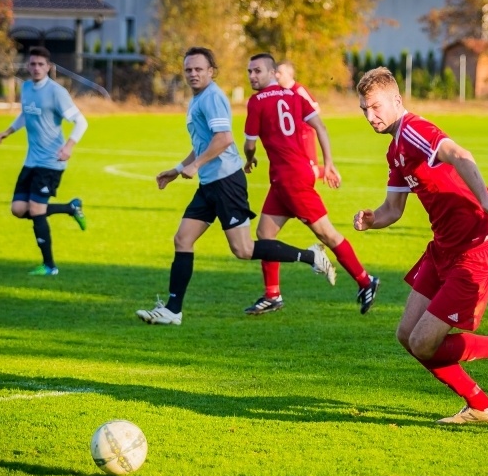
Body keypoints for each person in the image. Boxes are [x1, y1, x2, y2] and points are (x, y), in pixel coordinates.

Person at [353, 67, 488, 425]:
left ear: (397, 101)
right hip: (442, 249)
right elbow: (392, 209)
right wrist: (373, 220)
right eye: (364, 110)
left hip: (474, 251)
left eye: (375, 107)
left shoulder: (415, 129)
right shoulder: (395, 151)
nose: (370, 117)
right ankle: (481, 407)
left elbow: (458, 153)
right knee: (407, 336)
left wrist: (485, 200)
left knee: (423, 342)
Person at [135, 47, 336, 326]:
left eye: (198, 69)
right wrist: (178, 169)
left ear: (211, 71)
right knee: (183, 239)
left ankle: (310, 255)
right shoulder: (197, 99)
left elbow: (225, 139)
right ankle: (172, 310)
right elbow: (203, 144)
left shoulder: (213, 97)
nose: (193, 74)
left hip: (226, 182)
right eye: (188, 69)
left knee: (242, 250)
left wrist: (195, 166)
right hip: (209, 183)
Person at [243, 53, 379, 316]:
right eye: (249, 71)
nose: (252, 76)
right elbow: (321, 127)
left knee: (327, 234)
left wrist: (249, 160)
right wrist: (328, 163)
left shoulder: (256, 101)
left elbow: (250, 144)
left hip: (291, 179)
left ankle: (365, 281)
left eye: (257, 71)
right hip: (285, 179)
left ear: (272, 73)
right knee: (265, 235)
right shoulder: (295, 96)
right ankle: (272, 295)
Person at [0, 46, 88, 276]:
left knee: (36, 209)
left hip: (51, 162)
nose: (36, 68)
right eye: (33, 64)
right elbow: (27, 113)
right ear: (28, 66)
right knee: (18, 209)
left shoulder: (57, 92)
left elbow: (82, 122)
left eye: (41, 64)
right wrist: (7, 132)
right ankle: (70, 208)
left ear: (49, 67)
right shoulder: (26, 87)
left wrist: (68, 146)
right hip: (31, 161)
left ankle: (50, 266)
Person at [275, 60, 321, 178]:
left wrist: (299, 120)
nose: (276, 75)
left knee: (310, 172)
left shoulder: (299, 90)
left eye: (280, 72)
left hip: (304, 136)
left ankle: (328, 172)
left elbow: (316, 109)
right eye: (276, 72)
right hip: (289, 138)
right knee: (292, 171)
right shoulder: (277, 92)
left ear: (289, 74)